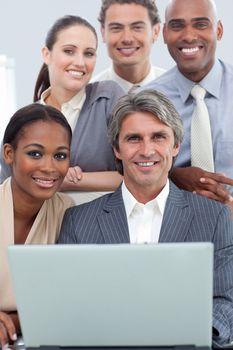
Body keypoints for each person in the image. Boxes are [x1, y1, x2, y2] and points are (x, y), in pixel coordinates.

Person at [58, 89, 233, 346]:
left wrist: (188, 337)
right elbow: (68, 303)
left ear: (175, 146)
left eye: (158, 137)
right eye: (134, 139)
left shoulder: (214, 217)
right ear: (117, 149)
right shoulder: (78, 221)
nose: (147, 150)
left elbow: (225, 301)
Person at [0, 15, 124, 204]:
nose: (80, 63)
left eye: (89, 53)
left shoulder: (108, 98)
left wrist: (70, 180)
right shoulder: (24, 121)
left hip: (102, 225)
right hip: (43, 228)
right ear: (46, 54)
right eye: (69, 51)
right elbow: (10, 190)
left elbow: (137, 175)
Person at [144, 0, 233, 214]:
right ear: (164, 33)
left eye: (201, 24)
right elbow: (129, 169)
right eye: (177, 25)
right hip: (170, 229)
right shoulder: (145, 100)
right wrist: (172, 175)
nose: (189, 35)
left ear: (218, 30)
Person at [0, 103, 74, 347]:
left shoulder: (68, 212)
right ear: (9, 154)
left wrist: (13, 321)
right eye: (35, 153)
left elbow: (67, 302)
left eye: (60, 156)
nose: (49, 167)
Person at [92, 0, 165, 92]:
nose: (127, 39)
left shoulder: (175, 90)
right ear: (103, 33)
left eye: (137, 27)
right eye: (116, 28)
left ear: (156, 31)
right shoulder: (86, 98)